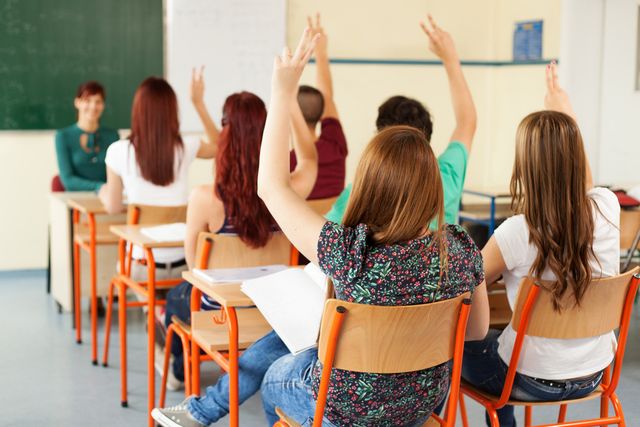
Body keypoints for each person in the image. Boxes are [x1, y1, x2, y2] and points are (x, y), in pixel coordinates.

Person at [151, 25, 489, 427]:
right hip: (419, 408)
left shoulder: (348, 250)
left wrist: (281, 93)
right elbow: (476, 330)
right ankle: (201, 411)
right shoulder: (461, 247)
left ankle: (202, 412)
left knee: (278, 373)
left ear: (370, 183)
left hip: (345, 412)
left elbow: (270, 187)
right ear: (433, 183)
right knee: (306, 343)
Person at [460, 62, 620, 427]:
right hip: (595, 373)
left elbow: (465, 281)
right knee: (503, 341)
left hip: (528, 381)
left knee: (460, 346)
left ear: (523, 168)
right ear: (577, 158)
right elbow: (586, 186)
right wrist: (565, 111)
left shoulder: (516, 233)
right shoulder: (607, 207)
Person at [161, 68, 318, 390]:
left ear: (225, 136)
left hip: (221, 313)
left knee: (176, 297)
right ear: (268, 134)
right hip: (274, 312)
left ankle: (179, 370)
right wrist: (287, 98)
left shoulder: (204, 198)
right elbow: (310, 159)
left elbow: (194, 268)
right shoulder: (288, 193)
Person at [325, 15, 476, 226]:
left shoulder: (362, 190)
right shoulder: (445, 176)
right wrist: (450, 59)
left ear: (380, 139)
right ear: (425, 139)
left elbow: (323, 233)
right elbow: (467, 121)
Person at [98, 75, 217, 281]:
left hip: (143, 267)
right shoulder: (187, 146)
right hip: (184, 264)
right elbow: (221, 146)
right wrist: (198, 103)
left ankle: (149, 301)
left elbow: (114, 207)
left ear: (138, 112)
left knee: (121, 270)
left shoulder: (118, 151)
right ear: (172, 112)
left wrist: (102, 191)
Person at [289, 14, 348, 201]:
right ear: (322, 114)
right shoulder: (336, 146)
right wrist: (321, 52)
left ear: (291, 115)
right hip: (334, 220)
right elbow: (327, 97)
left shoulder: (285, 163)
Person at [55, 81, 120, 191]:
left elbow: (118, 174)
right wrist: (100, 187)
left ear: (103, 105)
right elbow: (68, 180)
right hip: (77, 199)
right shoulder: (63, 137)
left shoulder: (113, 136)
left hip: (107, 197)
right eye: (87, 101)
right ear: (77, 103)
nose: (93, 106)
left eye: (98, 102)